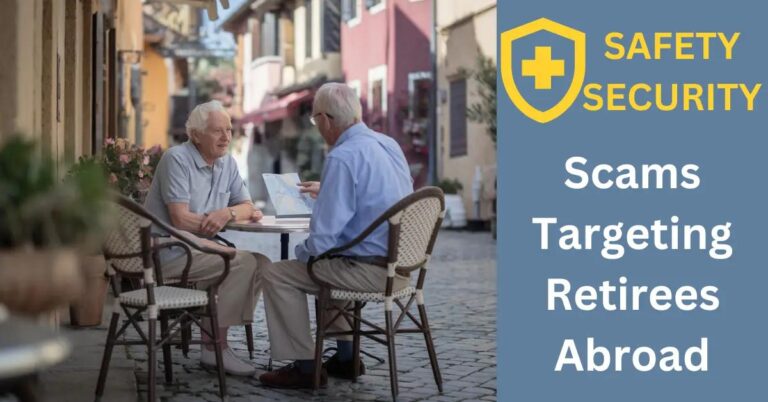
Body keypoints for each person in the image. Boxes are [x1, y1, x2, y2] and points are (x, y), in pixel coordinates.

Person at [258, 83, 414, 388]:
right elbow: (379, 198)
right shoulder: (388, 145)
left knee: (280, 274)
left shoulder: (342, 157)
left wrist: (303, 256)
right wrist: (328, 191)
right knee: (333, 260)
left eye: (316, 121)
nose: (318, 128)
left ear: (327, 120)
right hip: (402, 268)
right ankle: (345, 358)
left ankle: (305, 367)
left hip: (370, 272)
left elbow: (322, 239)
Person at [144, 100, 269, 376]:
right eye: (217, 131)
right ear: (196, 135)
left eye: (228, 130)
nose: (226, 137)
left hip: (199, 251)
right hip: (168, 251)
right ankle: (214, 348)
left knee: (263, 263)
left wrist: (226, 213)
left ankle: (213, 332)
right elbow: (180, 219)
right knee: (241, 263)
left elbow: (248, 207)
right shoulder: (176, 159)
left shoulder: (227, 163)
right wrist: (216, 226)